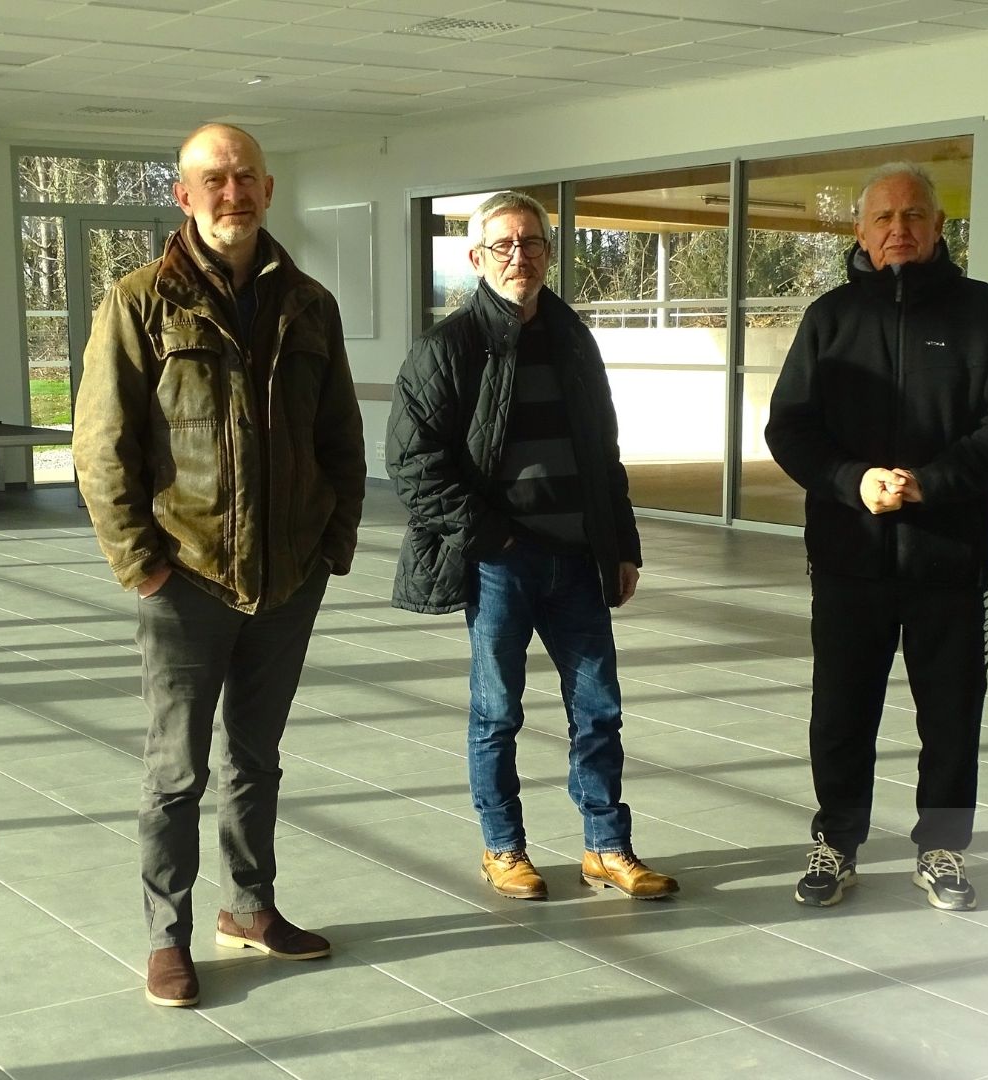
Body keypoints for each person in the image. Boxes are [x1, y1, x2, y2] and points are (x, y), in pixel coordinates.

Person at [73, 123, 365, 1006]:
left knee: (256, 759)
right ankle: (167, 936)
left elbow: (340, 437)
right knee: (176, 772)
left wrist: (330, 545)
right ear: (185, 195)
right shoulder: (139, 301)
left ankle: (250, 907)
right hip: (186, 580)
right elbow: (101, 446)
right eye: (214, 179)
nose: (232, 193)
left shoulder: (309, 304)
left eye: (245, 178)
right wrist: (142, 565)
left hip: (287, 580)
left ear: (268, 189)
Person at [386, 191, 677, 903]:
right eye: (505, 245)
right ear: (477, 257)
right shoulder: (447, 349)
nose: (520, 256)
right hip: (500, 565)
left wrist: (622, 544)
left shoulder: (573, 340)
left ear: (549, 251)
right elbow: (412, 465)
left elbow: (603, 453)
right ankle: (503, 848)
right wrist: (494, 537)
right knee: (498, 713)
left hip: (578, 559)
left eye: (533, 243)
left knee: (599, 710)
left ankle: (606, 847)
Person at [765, 162, 988, 912]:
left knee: (951, 713)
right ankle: (836, 842)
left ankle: (942, 847)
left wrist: (932, 483)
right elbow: (790, 428)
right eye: (883, 217)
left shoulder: (980, 313)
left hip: (949, 560)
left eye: (914, 215)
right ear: (860, 231)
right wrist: (852, 481)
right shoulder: (830, 319)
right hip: (848, 559)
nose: (899, 229)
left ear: (940, 226)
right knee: (840, 711)